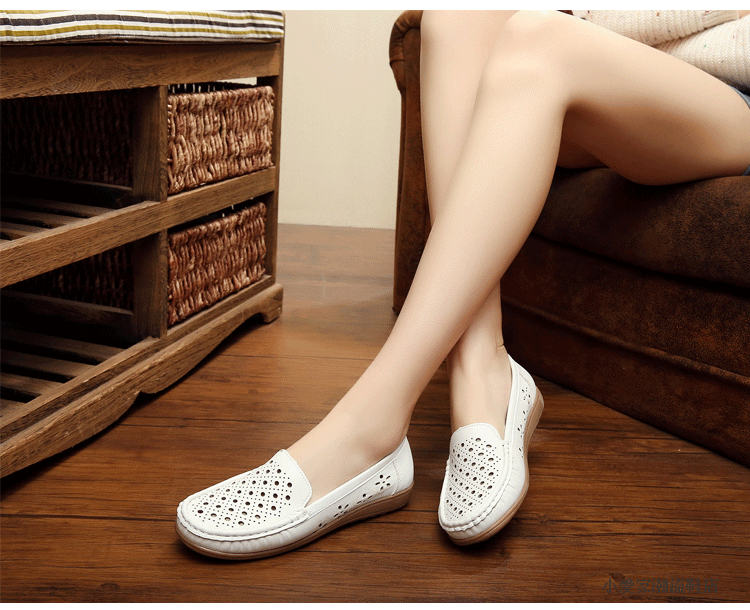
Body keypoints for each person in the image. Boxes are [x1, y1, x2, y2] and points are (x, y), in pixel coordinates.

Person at [175, 10, 750, 559]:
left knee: (541, 41)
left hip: (724, 98)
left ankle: (369, 426)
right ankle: (482, 370)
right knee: (456, 16)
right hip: (612, 75)